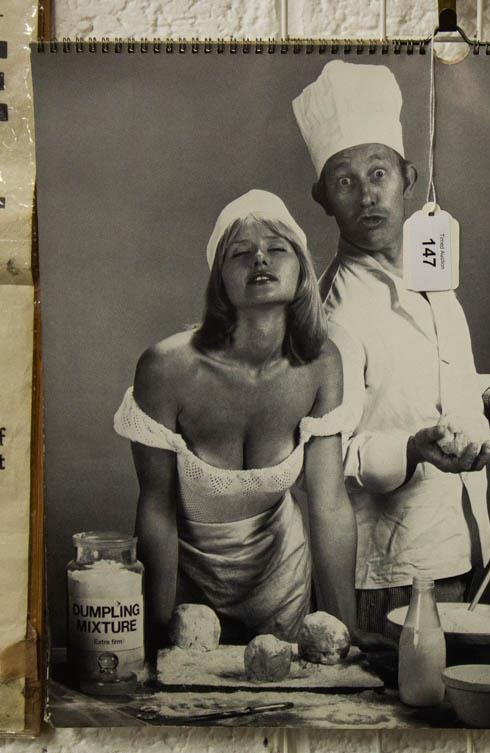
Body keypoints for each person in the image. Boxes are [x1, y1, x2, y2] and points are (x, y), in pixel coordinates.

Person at [293, 61, 490, 634]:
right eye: (344, 181)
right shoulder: (331, 315)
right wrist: (413, 449)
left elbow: (433, 385)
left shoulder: (429, 273)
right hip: (389, 574)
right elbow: (322, 459)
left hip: (460, 544)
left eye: (379, 173)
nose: (367, 196)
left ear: (408, 178)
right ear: (323, 198)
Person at [113, 189, 357, 648]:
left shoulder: (322, 362)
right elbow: (156, 509)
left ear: (302, 269)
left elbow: (328, 504)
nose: (260, 259)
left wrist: (348, 631)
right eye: (240, 253)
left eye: (277, 248)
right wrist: (156, 633)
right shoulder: (166, 368)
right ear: (219, 279)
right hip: (186, 590)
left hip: (283, 584)